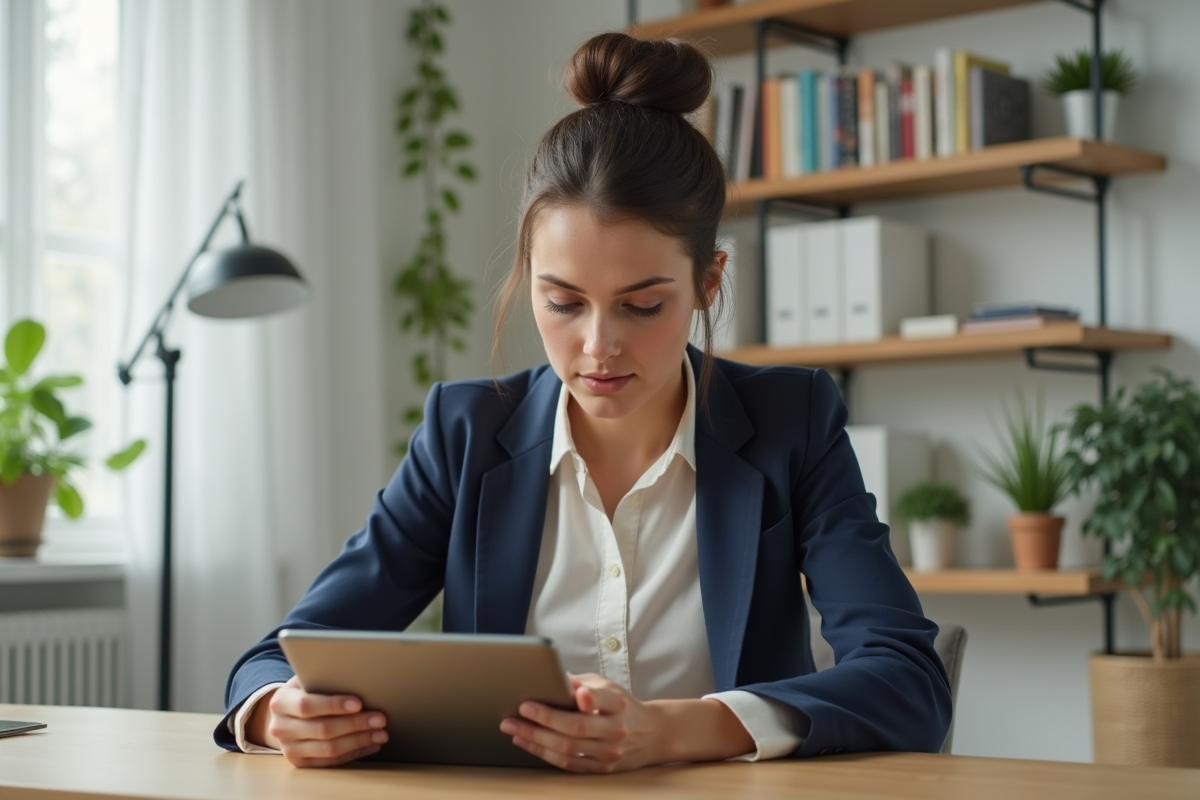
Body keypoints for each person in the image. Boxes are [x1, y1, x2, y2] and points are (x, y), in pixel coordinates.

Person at [214, 31, 952, 772]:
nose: (599, 346)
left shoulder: (793, 421)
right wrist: (280, 712)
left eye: (641, 306)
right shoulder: (464, 433)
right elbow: (273, 658)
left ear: (707, 281)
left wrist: (672, 731)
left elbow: (908, 680)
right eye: (563, 302)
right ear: (530, 276)